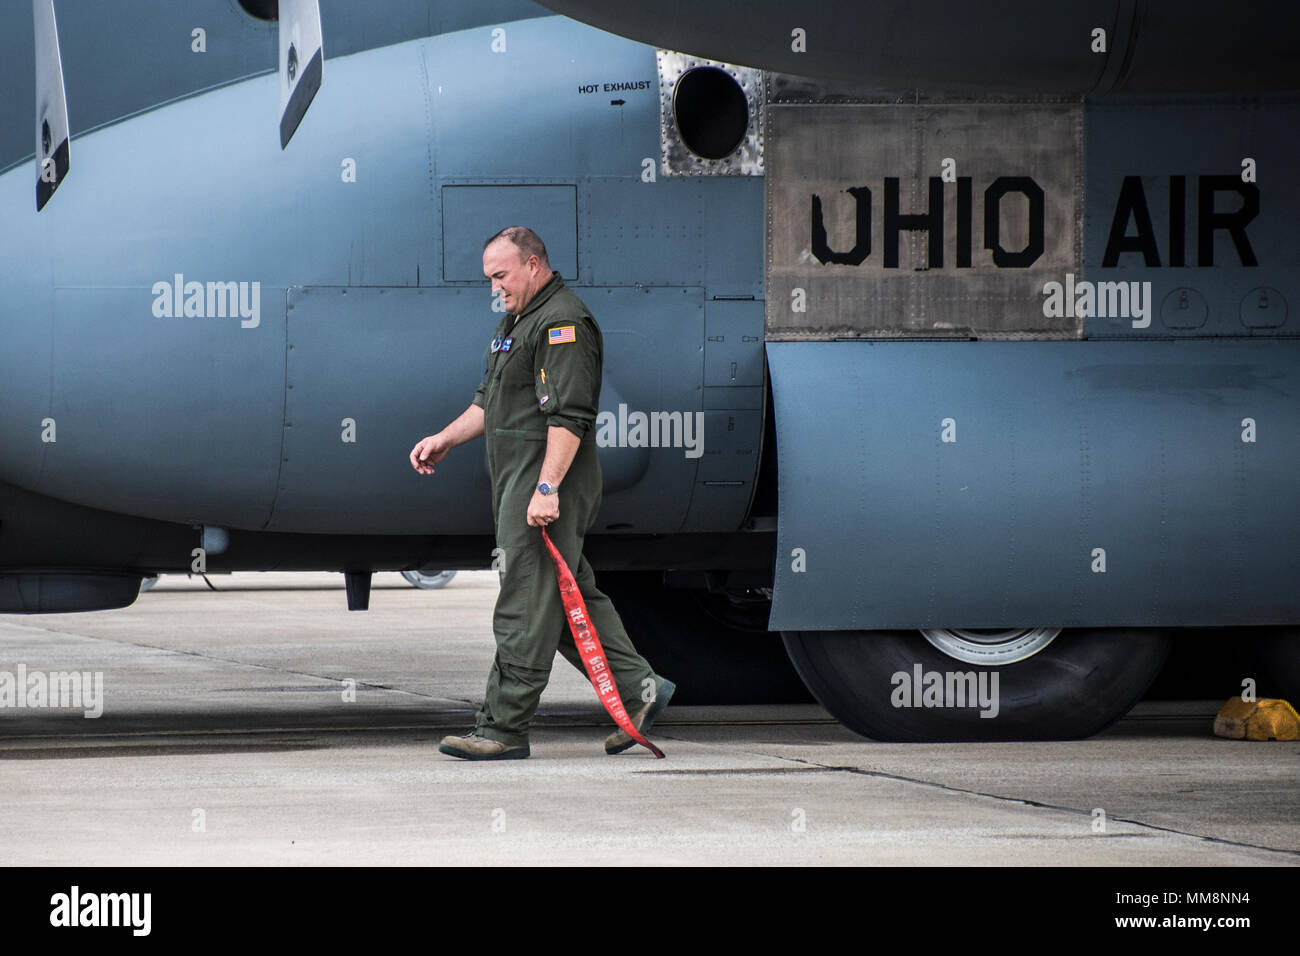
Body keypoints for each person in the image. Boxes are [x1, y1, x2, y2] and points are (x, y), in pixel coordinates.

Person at [409, 226, 674, 760]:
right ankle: (641, 689)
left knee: (525, 603)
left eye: (501, 275)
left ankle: (503, 728)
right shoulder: (517, 322)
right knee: (562, 596)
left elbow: (570, 416)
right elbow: (489, 403)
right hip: (521, 483)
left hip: (545, 484)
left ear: (533, 265)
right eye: (489, 278)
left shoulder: (562, 324)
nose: (495, 287)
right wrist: (444, 439)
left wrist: (547, 487)